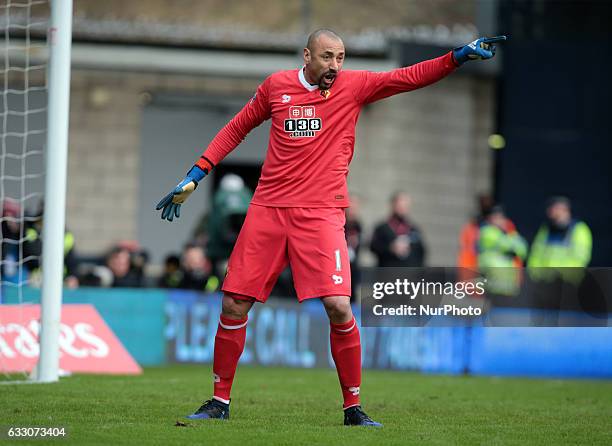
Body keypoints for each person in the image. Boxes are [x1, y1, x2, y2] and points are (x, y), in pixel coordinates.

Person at [156, 29, 504, 426]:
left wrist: (457, 57)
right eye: (326, 57)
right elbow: (237, 128)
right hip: (268, 208)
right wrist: (197, 173)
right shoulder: (276, 87)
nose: (334, 66)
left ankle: (352, 408)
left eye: (340, 57)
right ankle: (219, 402)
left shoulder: (353, 86)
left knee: (339, 306)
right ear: (306, 56)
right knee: (234, 302)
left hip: (321, 213)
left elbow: (408, 76)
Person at [528, 196, 592, 283]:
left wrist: (561, 275)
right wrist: (535, 275)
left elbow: (580, 258)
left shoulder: (579, 229)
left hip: (567, 283)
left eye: (555, 210)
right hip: (544, 282)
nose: (551, 213)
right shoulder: (545, 229)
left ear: (565, 210)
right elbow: (535, 255)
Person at [477, 205, 528, 296]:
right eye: (495, 217)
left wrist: (512, 242)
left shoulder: (508, 233)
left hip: (507, 281)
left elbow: (523, 249)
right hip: (492, 280)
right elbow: (505, 244)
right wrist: (513, 243)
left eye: (501, 217)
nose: (499, 220)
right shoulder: (486, 231)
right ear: (489, 219)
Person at [370, 192, 426, 267]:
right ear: (393, 205)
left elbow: (421, 252)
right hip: (387, 272)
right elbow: (373, 247)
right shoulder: (382, 228)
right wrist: (390, 248)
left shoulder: (414, 229)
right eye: (400, 205)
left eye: (405, 206)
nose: (402, 208)